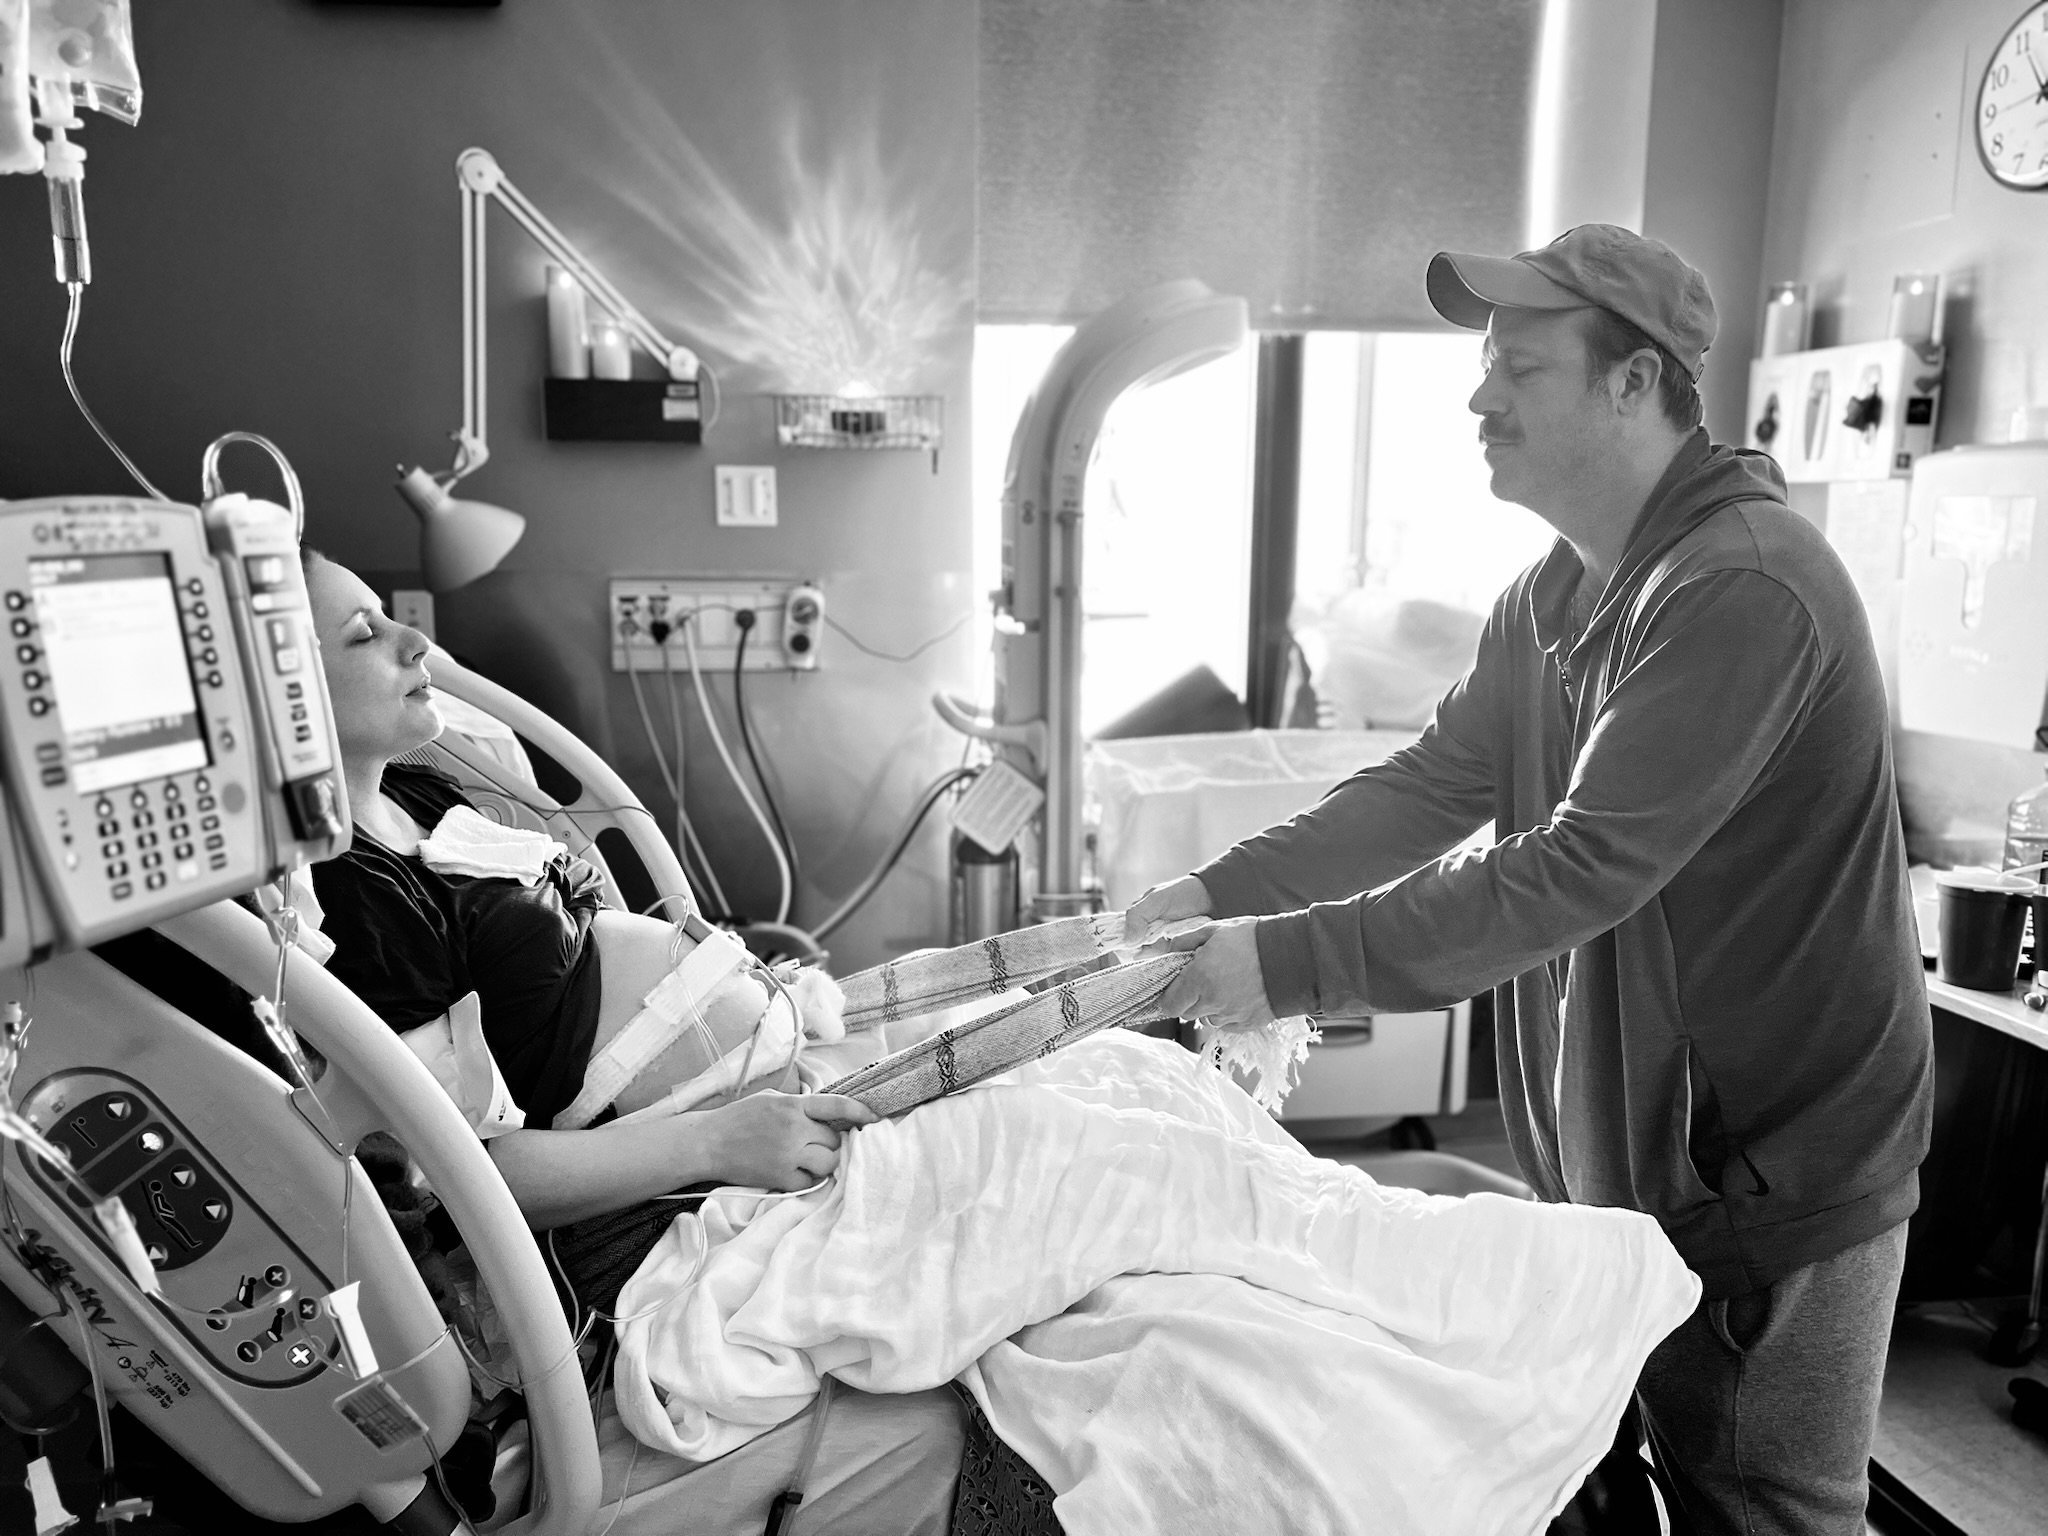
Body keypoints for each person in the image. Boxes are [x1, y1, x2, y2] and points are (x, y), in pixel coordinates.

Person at [1131, 224, 1934, 1536]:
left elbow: (1572, 874)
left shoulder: (1743, 591)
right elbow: (1423, 794)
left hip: (1768, 1177)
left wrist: (1278, 965)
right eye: (1483, 362)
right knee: (1634, 1482)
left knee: (1763, 1503)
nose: (1478, 394)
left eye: (1520, 364)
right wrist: (1210, 899)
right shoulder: (1555, 600)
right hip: (1631, 1159)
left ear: (1636, 384)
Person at [300, 553, 966, 1535]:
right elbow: (469, 1174)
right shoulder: (350, 901)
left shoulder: (421, 795)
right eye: (362, 634)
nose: (414, 641)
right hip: (674, 1183)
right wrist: (723, 1142)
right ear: (275, 698)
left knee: (1073, 1085)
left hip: (767, 1074)